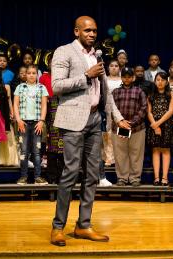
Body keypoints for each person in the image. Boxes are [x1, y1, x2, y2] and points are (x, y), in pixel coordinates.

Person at [50, 16, 127, 246]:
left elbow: (105, 91)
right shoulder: (64, 52)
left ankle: (83, 224)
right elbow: (56, 86)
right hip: (74, 120)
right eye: (87, 31)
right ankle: (57, 227)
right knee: (70, 173)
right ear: (76, 31)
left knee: (92, 175)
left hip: (95, 120)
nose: (92, 34)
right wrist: (86, 76)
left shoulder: (97, 55)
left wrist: (118, 117)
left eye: (94, 31)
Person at [111, 67, 147, 187]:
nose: (127, 79)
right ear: (121, 77)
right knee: (120, 154)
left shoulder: (139, 91)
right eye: (124, 76)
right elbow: (111, 108)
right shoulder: (115, 92)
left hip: (137, 128)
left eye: (129, 77)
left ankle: (135, 178)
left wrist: (132, 122)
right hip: (119, 127)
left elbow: (144, 108)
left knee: (136, 153)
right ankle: (122, 178)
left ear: (133, 78)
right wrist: (120, 122)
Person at [14, 65, 49, 185]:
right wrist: (18, 119)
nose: (31, 75)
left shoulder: (42, 88)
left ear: (37, 75)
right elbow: (15, 105)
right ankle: (23, 177)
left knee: (37, 151)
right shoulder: (20, 87)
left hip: (36, 123)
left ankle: (37, 177)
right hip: (23, 122)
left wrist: (41, 121)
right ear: (25, 74)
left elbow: (44, 106)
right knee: (24, 151)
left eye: (34, 73)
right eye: (28, 73)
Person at [147, 72, 173, 186]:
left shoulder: (171, 94)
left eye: (163, 80)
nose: (160, 82)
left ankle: (164, 178)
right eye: (158, 80)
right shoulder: (150, 95)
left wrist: (158, 124)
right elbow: (148, 111)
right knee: (155, 150)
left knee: (165, 150)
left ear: (167, 81)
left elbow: (171, 111)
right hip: (154, 124)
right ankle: (156, 178)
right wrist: (154, 125)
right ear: (155, 81)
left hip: (167, 125)